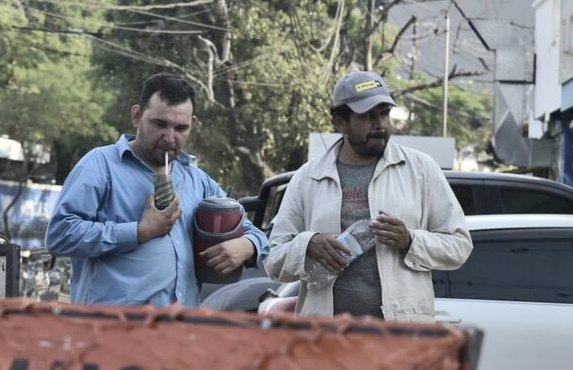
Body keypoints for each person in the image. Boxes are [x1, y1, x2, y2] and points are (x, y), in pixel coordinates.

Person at [45, 72, 268, 307]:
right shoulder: (99, 166)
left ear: (193, 124)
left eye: (181, 128)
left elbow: (254, 234)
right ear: (137, 116)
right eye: (160, 124)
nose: (169, 138)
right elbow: (60, 234)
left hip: (176, 332)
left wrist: (247, 245)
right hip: (111, 332)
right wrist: (138, 232)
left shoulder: (197, 180)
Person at [264, 70, 472, 322]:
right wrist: (309, 245)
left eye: (384, 114)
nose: (380, 125)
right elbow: (273, 260)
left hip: (397, 338)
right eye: (367, 116)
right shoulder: (308, 177)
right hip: (328, 339)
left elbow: (460, 245)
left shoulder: (421, 169)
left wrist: (409, 240)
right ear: (340, 122)